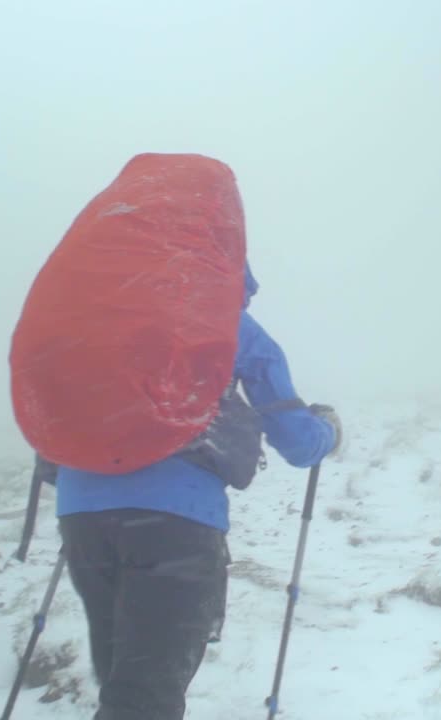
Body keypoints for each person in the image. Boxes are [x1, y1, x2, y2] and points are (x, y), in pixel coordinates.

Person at [47, 261, 341, 720]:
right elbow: (300, 444)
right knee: (145, 698)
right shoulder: (222, 319)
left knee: (125, 686)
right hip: (173, 522)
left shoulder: (103, 316)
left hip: (82, 515)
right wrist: (328, 432)